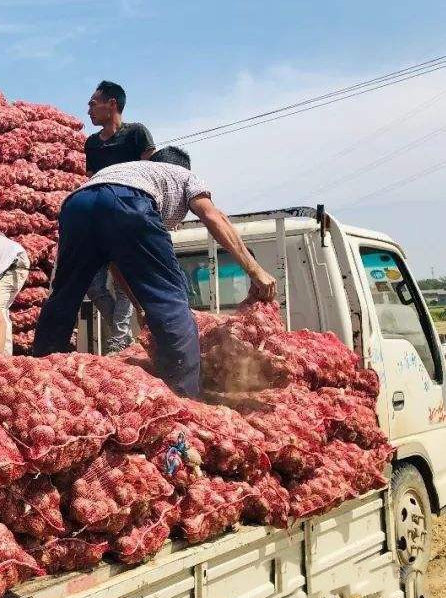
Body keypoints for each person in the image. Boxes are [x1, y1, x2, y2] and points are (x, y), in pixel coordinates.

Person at [32, 146, 276, 395]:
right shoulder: (184, 175)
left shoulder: (129, 171)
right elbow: (213, 216)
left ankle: (40, 379)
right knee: (171, 301)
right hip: (129, 202)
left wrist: (140, 306)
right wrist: (255, 270)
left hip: (76, 205)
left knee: (63, 297)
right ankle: (184, 395)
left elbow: (119, 264)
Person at [81, 80, 156, 352]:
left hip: (130, 215)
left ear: (111, 104)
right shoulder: (91, 143)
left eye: (93, 103)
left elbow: (152, 172)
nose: (88, 110)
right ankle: (121, 333)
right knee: (94, 284)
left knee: (125, 283)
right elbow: (90, 180)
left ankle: (119, 339)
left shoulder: (136, 133)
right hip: (100, 216)